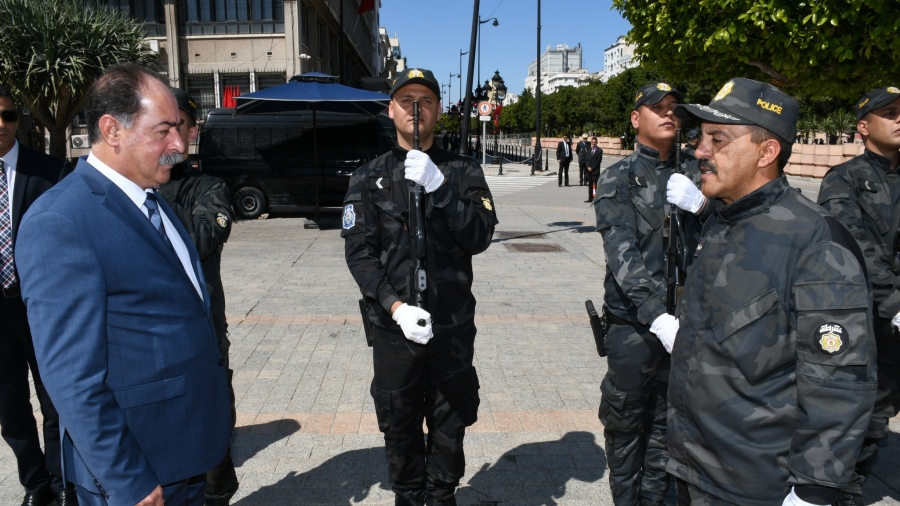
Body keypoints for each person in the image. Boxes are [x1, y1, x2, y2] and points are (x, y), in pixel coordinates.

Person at [15, 63, 232, 506]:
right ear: (112, 130)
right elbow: (71, 376)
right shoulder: (61, 220)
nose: (179, 144)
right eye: (163, 131)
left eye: (181, 129)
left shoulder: (151, 197)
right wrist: (127, 479)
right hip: (138, 473)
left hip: (186, 452)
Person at [665, 78, 876, 506]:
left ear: (767, 152)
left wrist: (814, 489)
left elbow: (839, 379)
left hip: (759, 485)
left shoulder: (815, 241)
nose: (700, 151)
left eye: (717, 139)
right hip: (693, 470)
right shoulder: (722, 221)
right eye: (700, 137)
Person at [342, 68, 497, 506]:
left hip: (451, 327)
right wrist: (395, 307)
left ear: (438, 111)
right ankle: (409, 497)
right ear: (390, 109)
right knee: (399, 422)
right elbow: (360, 255)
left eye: (426, 99)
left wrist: (440, 186)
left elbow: (479, 236)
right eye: (406, 98)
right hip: (396, 332)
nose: (416, 107)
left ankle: (443, 495)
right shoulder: (369, 176)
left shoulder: (463, 171)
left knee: (450, 423)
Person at [592, 83, 703, 506]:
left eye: (673, 108)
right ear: (636, 118)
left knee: (668, 428)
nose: (668, 114)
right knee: (624, 426)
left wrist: (704, 207)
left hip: (688, 323)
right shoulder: (618, 178)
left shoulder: (698, 172)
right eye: (656, 108)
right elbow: (622, 255)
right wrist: (657, 315)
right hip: (635, 329)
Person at [816, 85, 900, 506]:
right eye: (890, 113)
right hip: (869, 320)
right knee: (866, 414)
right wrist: (895, 304)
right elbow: (854, 248)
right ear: (864, 127)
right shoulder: (845, 179)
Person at [156, 88, 238, 506]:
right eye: (160, 126)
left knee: (213, 427)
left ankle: (218, 492)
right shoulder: (130, 188)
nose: (171, 136)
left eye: (178, 125)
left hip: (202, 332)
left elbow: (202, 237)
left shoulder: (208, 187)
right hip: (147, 339)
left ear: (192, 130)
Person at [0, 85, 76, 506]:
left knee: (55, 400)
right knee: (10, 407)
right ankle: (35, 485)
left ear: (19, 121)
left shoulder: (51, 172)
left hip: (42, 308)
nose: (2, 124)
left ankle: (63, 479)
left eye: (9, 116)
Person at [585, 136, 604, 202]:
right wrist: (588, 167)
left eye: (595, 142)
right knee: (590, 185)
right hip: (589, 171)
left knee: (595, 185)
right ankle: (590, 198)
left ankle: (596, 198)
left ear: (597, 142)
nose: (593, 143)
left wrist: (592, 168)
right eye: (592, 142)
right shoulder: (589, 150)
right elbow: (587, 159)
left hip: (595, 171)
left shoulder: (599, 151)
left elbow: (598, 161)